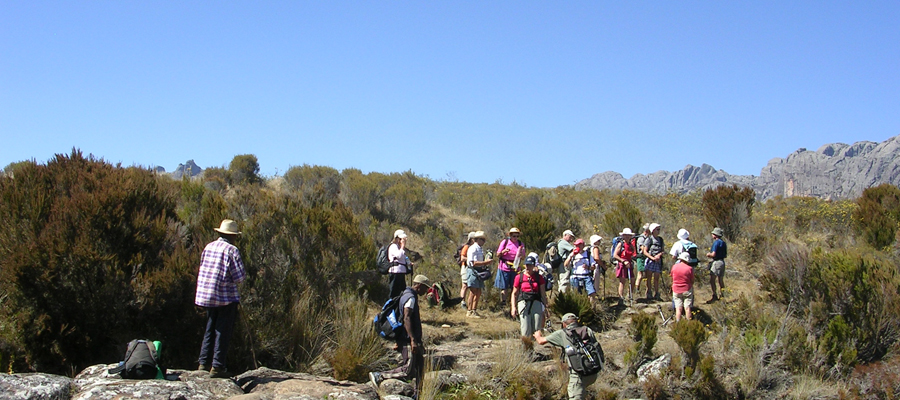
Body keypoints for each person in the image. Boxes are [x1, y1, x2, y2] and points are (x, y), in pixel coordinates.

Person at [195, 219, 247, 378]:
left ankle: (203, 363)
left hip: (206, 295)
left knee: (210, 327)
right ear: (232, 236)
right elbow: (239, 277)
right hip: (224, 297)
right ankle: (217, 366)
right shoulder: (232, 250)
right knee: (222, 330)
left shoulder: (209, 247)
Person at [369, 274, 431, 397]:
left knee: (419, 367)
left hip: (410, 338)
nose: (425, 291)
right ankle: (379, 376)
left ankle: (417, 394)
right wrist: (413, 340)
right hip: (407, 338)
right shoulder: (410, 298)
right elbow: (406, 318)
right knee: (408, 369)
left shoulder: (405, 294)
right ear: (418, 285)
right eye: (425, 288)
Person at [533, 313, 599, 400]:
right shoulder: (587, 330)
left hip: (578, 376)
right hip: (593, 372)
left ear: (564, 323)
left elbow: (541, 341)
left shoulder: (562, 333)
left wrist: (537, 334)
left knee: (575, 393)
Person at [510, 256, 549, 339]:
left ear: (534, 266)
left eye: (530, 265)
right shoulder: (519, 277)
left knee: (536, 328)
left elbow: (543, 294)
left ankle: (533, 346)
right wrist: (513, 307)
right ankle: (526, 347)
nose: (528, 267)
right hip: (523, 302)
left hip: (536, 302)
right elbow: (514, 293)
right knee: (525, 327)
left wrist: (546, 307)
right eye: (527, 265)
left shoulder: (539, 278)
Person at [466, 231, 494, 318]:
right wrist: (485, 262)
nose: (483, 241)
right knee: (473, 291)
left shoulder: (480, 249)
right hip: (473, 271)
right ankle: (469, 311)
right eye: (482, 239)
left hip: (479, 271)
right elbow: (473, 262)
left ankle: (474, 310)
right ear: (477, 239)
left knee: (478, 291)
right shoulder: (473, 248)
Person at [495, 227, 525, 305]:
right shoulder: (505, 242)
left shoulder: (520, 244)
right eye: (514, 236)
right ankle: (503, 303)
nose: (515, 238)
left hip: (515, 268)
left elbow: (523, 257)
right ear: (510, 235)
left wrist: (521, 255)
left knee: (515, 287)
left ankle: (514, 303)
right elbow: (498, 254)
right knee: (504, 287)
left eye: (517, 236)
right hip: (504, 267)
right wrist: (504, 251)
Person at [566, 239, 597, 304]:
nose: (578, 247)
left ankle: (591, 308)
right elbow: (565, 264)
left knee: (592, 293)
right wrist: (571, 256)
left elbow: (593, 267)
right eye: (576, 245)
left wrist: (587, 267)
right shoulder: (572, 254)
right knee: (576, 294)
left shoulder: (588, 254)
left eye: (579, 245)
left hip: (586, 276)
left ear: (583, 245)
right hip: (575, 277)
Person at [642, 223, 665, 301]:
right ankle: (649, 292)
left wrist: (659, 255)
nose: (659, 231)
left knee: (656, 277)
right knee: (649, 277)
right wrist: (652, 258)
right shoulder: (649, 239)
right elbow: (645, 251)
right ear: (653, 230)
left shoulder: (660, 240)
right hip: (650, 261)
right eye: (657, 229)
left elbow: (663, 250)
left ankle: (657, 293)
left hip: (658, 261)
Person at [613, 228, 637, 303]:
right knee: (622, 281)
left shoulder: (630, 245)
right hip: (622, 264)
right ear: (623, 236)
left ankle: (629, 295)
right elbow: (615, 255)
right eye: (626, 235)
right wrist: (623, 261)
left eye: (629, 236)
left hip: (629, 264)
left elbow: (632, 253)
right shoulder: (621, 244)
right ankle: (621, 297)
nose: (627, 237)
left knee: (632, 280)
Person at [388, 230, 412, 299]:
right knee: (394, 294)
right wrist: (402, 246)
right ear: (397, 239)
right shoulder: (393, 246)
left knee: (401, 293)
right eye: (401, 239)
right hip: (395, 273)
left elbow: (403, 257)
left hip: (401, 273)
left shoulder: (399, 248)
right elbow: (399, 256)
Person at [706, 227, 728, 303]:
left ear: (715, 235)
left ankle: (714, 295)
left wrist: (709, 254)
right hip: (722, 262)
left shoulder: (716, 242)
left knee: (712, 279)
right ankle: (722, 295)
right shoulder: (723, 243)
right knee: (720, 280)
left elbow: (713, 254)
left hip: (717, 262)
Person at [671, 252, 695, 322]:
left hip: (676, 289)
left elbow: (672, 277)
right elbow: (692, 280)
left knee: (678, 308)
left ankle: (678, 323)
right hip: (687, 289)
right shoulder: (689, 268)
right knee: (687, 308)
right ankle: (688, 324)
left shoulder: (674, 267)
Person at [458, 232, 476, 309]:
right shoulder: (466, 247)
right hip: (465, 267)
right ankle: (462, 302)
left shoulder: (476, 247)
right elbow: (462, 258)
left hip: (472, 268)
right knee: (464, 285)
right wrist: (471, 260)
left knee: (471, 286)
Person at [634, 224, 650, 298]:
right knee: (640, 274)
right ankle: (637, 290)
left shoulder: (648, 238)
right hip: (641, 257)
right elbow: (642, 249)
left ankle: (648, 291)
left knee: (647, 275)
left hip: (645, 257)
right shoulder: (641, 238)